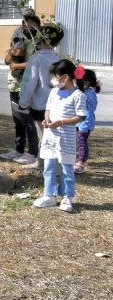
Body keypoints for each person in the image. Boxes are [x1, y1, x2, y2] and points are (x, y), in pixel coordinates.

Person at [32, 59, 86, 213]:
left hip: (66, 139)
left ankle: (67, 197)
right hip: (50, 137)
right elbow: (48, 107)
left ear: (66, 77)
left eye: (56, 76)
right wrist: (47, 119)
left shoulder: (77, 95)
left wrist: (62, 122)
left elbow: (80, 117)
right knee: (48, 166)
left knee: (66, 168)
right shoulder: (54, 92)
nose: (53, 80)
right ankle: (49, 194)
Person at [16, 22, 64, 170]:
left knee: (42, 135)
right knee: (54, 135)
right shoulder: (59, 59)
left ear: (40, 39)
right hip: (57, 104)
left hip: (40, 105)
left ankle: (43, 164)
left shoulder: (36, 59)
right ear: (57, 42)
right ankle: (54, 163)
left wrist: (23, 103)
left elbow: (29, 82)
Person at [0, 13, 41, 161]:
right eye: (26, 24)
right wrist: (11, 53)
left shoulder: (37, 44)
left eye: (32, 24)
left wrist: (16, 65)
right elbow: (6, 61)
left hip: (27, 86)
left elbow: (34, 63)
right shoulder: (18, 40)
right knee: (17, 120)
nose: (28, 27)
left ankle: (32, 153)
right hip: (13, 85)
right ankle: (18, 149)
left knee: (28, 121)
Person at [74, 66, 100, 174]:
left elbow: (89, 111)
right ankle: (78, 159)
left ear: (87, 83)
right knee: (78, 142)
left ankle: (81, 163)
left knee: (82, 142)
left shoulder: (88, 94)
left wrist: (84, 125)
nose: (77, 84)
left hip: (84, 123)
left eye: (79, 82)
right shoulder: (84, 91)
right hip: (78, 122)